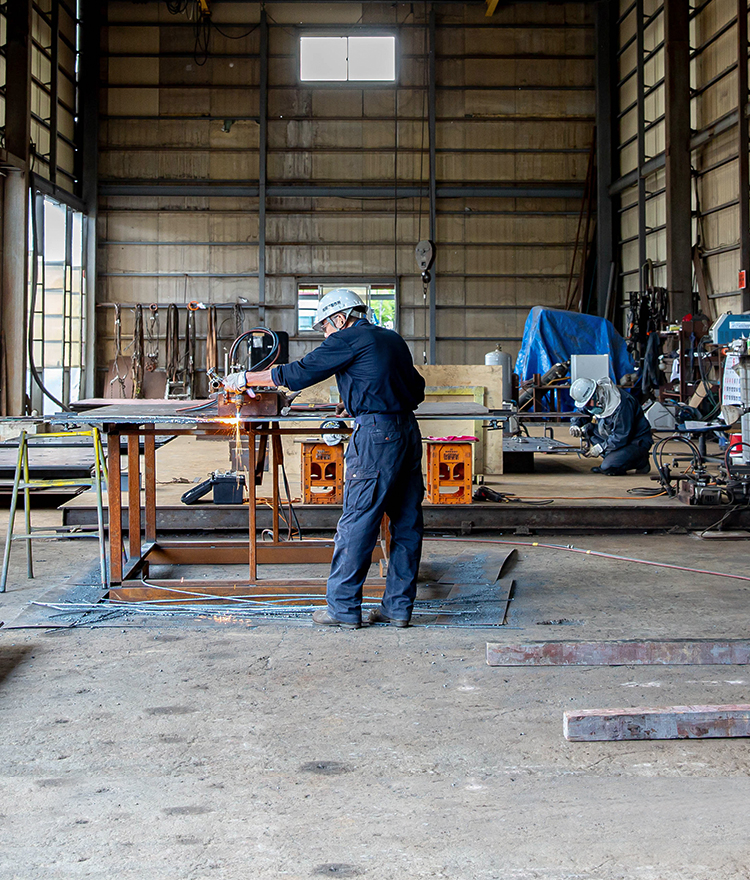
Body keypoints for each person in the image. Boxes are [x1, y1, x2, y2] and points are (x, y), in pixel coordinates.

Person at [223, 289, 426, 629]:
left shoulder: (347, 338)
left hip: (377, 436)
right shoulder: (391, 339)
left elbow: (299, 373)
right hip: (407, 431)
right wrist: (359, 399)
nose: (326, 335)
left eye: (325, 328)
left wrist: (244, 378)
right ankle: (397, 609)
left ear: (339, 318)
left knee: (358, 521)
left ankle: (343, 609)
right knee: (406, 524)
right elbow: (415, 389)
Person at [569, 376, 653, 476]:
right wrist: (575, 425)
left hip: (635, 441)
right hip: (615, 436)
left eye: (588, 402)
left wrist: (600, 448)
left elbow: (621, 436)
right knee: (588, 429)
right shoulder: (595, 399)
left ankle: (640, 461)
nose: (588, 406)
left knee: (608, 467)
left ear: (596, 394)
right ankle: (614, 458)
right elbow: (583, 411)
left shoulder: (622, 404)